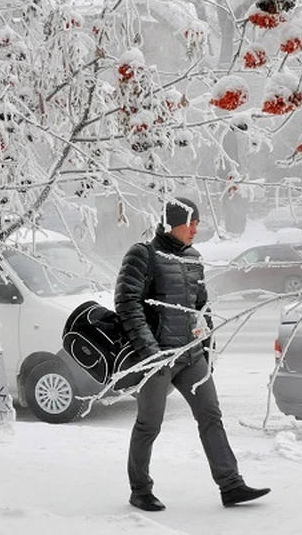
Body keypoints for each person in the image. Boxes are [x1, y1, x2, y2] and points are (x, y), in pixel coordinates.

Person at [115, 197, 270, 511]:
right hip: (156, 358)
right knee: (149, 424)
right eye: (192, 222)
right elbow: (126, 304)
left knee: (211, 416)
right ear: (172, 222)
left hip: (190, 355)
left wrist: (207, 346)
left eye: (198, 222)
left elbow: (201, 306)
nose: (196, 229)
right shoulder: (142, 254)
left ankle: (231, 485)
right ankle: (140, 490)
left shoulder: (194, 257)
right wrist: (151, 351)